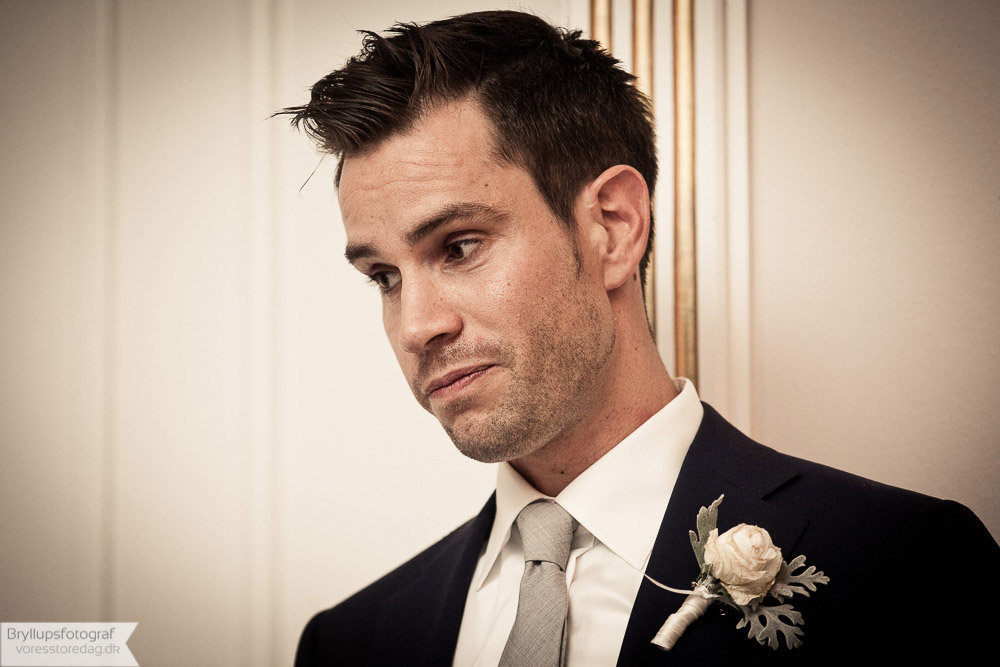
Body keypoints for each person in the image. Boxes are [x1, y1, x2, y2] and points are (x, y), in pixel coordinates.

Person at [279, 10, 999, 666]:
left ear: (613, 228)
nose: (415, 327)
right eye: (383, 277)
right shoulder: (351, 643)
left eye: (460, 246)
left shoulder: (906, 566)